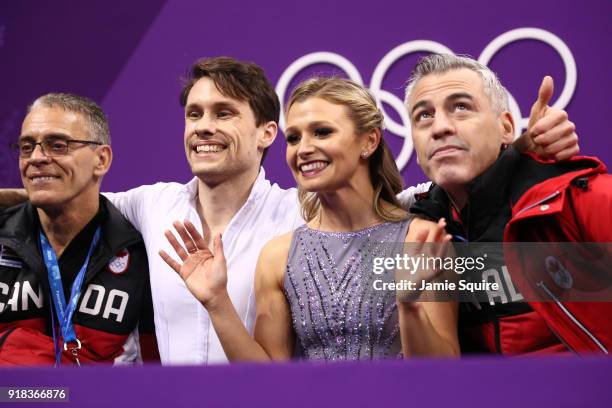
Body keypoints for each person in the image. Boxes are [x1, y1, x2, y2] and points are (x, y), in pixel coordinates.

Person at [0, 56, 580, 364]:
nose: (203, 127)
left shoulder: (406, 229)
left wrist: (521, 149)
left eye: (223, 113)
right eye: (194, 114)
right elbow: (58, 191)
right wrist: (217, 300)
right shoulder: (153, 208)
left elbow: (435, 195)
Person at [161, 77, 459, 360]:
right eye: (293, 137)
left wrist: (410, 307)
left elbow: (445, 375)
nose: (303, 149)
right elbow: (268, 383)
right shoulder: (277, 256)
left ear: (369, 141)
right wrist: (217, 303)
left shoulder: (420, 240)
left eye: (322, 132)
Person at [405, 54, 612, 354]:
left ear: (506, 127)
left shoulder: (579, 199)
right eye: (423, 115)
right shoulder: (416, 231)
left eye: (461, 107)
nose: (440, 127)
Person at [0, 93, 157, 365]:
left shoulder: (141, 251)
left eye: (57, 145)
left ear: (102, 160)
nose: (36, 157)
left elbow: (157, 373)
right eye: (27, 147)